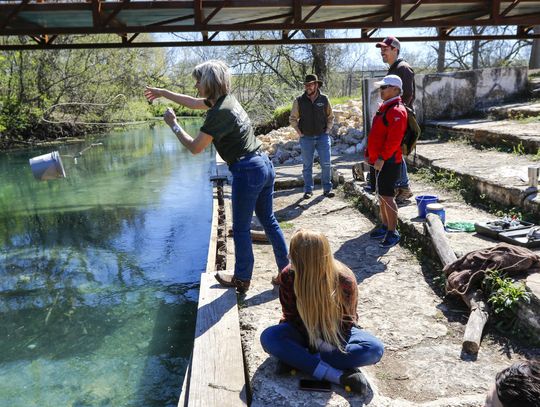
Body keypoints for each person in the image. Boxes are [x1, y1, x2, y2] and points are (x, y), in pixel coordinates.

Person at [144, 60, 289, 293]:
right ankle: (287, 272)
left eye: (198, 81)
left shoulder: (218, 113)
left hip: (247, 170)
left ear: (210, 83)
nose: (196, 86)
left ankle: (242, 278)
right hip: (263, 163)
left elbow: (195, 147)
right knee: (269, 221)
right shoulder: (227, 101)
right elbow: (192, 102)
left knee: (241, 228)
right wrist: (163, 93)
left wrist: (174, 125)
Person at [260, 229, 384, 394]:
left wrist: (322, 345)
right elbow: (291, 317)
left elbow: (347, 322)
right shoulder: (288, 276)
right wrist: (314, 341)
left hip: (335, 336)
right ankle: (337, 376)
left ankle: (299, 360)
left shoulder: (344, 280)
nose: (289, 258)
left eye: (293, 255)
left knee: (374, 349)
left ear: (305, 260)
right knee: (269, 337)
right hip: (302, 333)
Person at [365, 75, 408, 249]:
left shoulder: (397, 111)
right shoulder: (384, 108)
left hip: (388, 162)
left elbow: (394, 140)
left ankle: (393, 231)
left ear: (396, 90)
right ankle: (385, 226)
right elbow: (375, 134)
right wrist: (368, 153)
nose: (381, 90)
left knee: (388, 197)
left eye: (384, 87)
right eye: (381, 87)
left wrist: (382, 158)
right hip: (378, 161)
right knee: (382, 195)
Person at [376, 36, 415, 204]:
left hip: (399, 117)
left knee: (395, 150)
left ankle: (404, 187)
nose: (382, 51)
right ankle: (401, 186)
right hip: (393, 116)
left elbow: (407, 94)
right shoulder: (394, 68)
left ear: (395, 50)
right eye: (381, 49)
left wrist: (397, 112)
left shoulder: (403, 68)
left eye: (385, 48)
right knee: (393, 150)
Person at [289, 74, 335, 199]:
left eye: (310, 84)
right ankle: (308, 190)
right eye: (306, 85)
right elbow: (293, 118)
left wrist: (328, 130)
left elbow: (330, 117)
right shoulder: (299, 100)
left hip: (322, 137)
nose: (308, 87)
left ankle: (327, 189)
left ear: (316, 85)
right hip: (306, 138)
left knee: (326, 163)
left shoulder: (324, 99)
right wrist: (299, 132)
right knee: (307, 166)